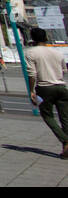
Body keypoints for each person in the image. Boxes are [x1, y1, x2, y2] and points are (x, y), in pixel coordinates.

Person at [23, 28, 68, 158]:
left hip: (44, 88)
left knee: (47, 116)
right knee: (65, 119)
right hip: (61, 87)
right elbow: (64, 70)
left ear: (32, 39)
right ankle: (66, 150)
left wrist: (31, 90)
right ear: (46, 38)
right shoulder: (57, 52)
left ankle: (65, 140)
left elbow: (32, 74)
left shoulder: (31, 53)